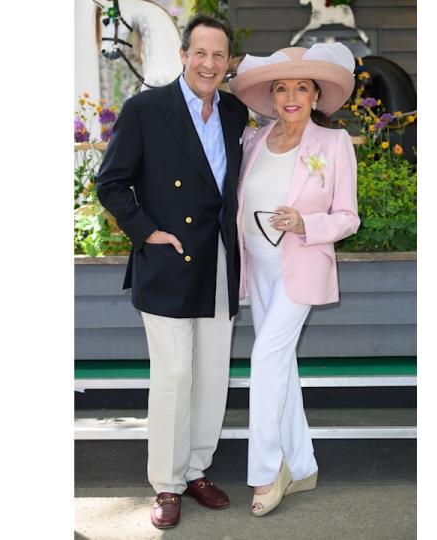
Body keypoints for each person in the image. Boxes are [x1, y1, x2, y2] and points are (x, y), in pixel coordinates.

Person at [94, 14, 249, 530]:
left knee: (212, 376)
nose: (209, 63)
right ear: (184, 55)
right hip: (168, 258)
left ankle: (198, 469)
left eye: (219, 55)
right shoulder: (146, 110)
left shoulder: (233, 112)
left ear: (228, 64)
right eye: (200, 53)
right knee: (175, 374)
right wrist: (147, 232)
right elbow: (111, 182)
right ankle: (166, 482)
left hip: (219, 257)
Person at [228, 43, 360, 516]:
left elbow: (348, 217)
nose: (290, 95)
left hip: (299, 269)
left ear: (316, 95)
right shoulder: (253, 141)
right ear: (271, 94)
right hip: (258, 266)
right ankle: (302, 465)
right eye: (281, 87)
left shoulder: (334, 143)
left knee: (265, 360)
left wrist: (307, 224)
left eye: (301, 87)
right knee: (281, 367)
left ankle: (267, 473)